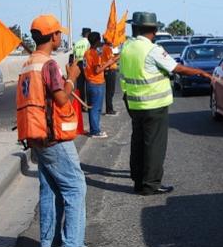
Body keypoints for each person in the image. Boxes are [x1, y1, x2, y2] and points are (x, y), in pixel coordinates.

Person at [16, 15, 98, 247]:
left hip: (36, 135)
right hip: (53, 136)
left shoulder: (28, 64)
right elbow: (62, 99)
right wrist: (72, 76)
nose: (61, 37)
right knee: (75, 187)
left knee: (50, 189)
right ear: (53, 36)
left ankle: (49, 245)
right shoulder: (48, 65)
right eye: (59, 33)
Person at [119, 12, 212, 195]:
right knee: (154, 145)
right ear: (153, 30)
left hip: (134, 103)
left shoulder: (127, 47)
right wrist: (200, 72)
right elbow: (176, 68)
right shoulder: (152, 49)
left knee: (138, 143)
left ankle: (138, 181)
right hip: (154, 104)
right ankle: (151, 184)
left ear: (135, 28)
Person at [84, 32, 118, 138]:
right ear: (97, 41)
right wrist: (109, 63)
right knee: (96, 108)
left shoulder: (87, 53)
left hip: (89, 82)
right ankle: (95, 131)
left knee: (92, 108)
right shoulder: (94, 54)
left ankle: (93, 129)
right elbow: (97, 70)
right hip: (96, 83)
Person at [73, 27, 92, 112]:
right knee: (88, 84)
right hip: (85, 63)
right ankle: (88, 105)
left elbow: (73, 55)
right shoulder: (88, 42)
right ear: (88, 34)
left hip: (77, 64)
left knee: (80, 86)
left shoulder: (77, 43)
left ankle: (81, 106)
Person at [102, 36, 118, 115]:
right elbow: (111, 60)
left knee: (109, 91)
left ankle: (109, 108)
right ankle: (109, 109)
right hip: (110, 70)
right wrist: (118, 56)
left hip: (108, 70)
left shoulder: (104, 47)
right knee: (110, 91)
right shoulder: (107, 48)